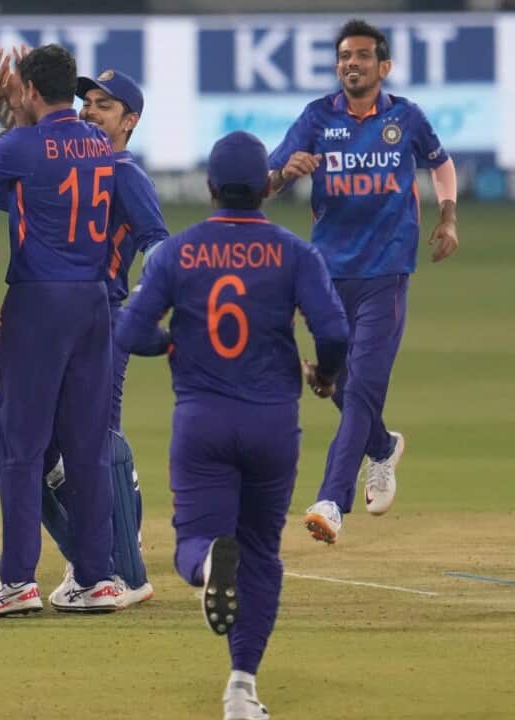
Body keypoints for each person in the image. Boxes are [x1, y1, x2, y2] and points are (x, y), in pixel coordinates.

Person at [119, 130, 348, 720]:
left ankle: (204, 568)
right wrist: (324, 374)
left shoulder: (177, 253)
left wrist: (173, 343)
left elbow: (128, 330)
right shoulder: (297, 253)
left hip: (202, 418)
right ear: (265, 190)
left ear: (211, 187)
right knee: (262, 555)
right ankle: (241, 689)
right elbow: (334, 331)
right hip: (273, 420)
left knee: (194, 542)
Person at [266, 18, 460, 544]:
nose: (350, 64)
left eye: (361, 56)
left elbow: (441, 165)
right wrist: (286, 174)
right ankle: (381, 447)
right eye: (343, 57)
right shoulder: (315, 119)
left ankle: (331, 500)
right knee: (339, 384)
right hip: (326, 276)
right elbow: (261, 183)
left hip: (386, 272)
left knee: (364, 386)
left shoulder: (405, 118)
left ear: (383, 66)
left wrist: (448, 216)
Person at [0, 45, 118, 615]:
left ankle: (19, 581)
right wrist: (18, 118)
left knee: (21, 447)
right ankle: (97, 578)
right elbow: (18, 188)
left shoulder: (22, 144)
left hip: (39, 302)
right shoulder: (100, 142)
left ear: (25, 90)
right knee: (86, 445)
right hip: (93, 303)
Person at [37, 68, 167, 609]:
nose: (90, 111)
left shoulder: (123, 171)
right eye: (87, 101)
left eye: (105, 105)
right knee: (57, 447)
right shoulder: (82, 163)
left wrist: (142, 307)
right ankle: (103, 554)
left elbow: (159, 244)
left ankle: (120, 569)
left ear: (130, 121)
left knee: (95, 440)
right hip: (68, 318)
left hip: (104, 317)